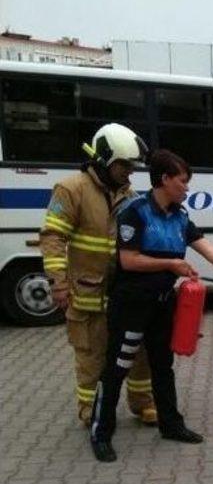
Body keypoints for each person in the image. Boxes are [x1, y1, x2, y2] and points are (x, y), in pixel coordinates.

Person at [89, 149, 213, 462]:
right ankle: (101, 433)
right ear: (165, 179)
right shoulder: (135, 211)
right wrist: (172, 263)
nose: (187, 187)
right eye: (183, 181)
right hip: (132, 304)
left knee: (163, 367)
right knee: (117, 369)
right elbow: (128, 261)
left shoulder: (180, 216)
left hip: (161, 305)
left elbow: (208, 248)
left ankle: (171, 426)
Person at [40, 123, 157, 427]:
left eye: (131, 167)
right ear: (104, 158)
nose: (129, 172)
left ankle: (143, 404)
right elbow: (53, 237)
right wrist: (58, 284)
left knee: (138, 351)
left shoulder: (130, 196)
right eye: (124, 165)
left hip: (123, 293)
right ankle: (90, 410)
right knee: (91, 356)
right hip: (86, 294)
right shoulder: (71, 190)